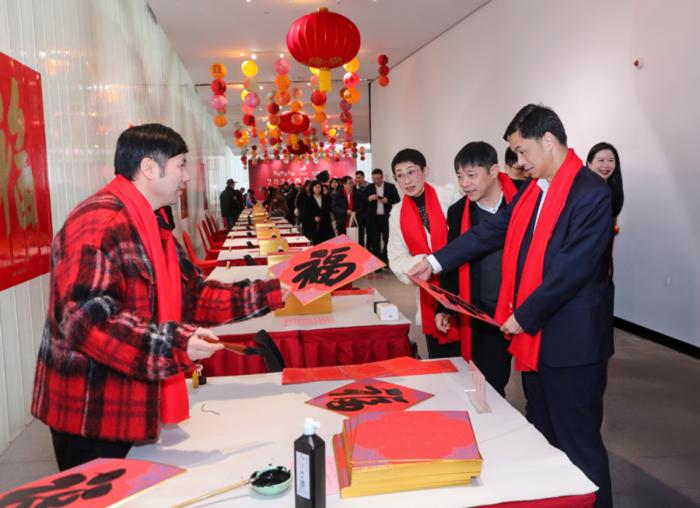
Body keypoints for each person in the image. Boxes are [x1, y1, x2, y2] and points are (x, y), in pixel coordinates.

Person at [31, 124, 284, 471]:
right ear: (149, 168)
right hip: (92, 411)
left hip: (133, 402)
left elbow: (193, 296)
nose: (187, 177)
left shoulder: (153, 225)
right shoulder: (99, 223)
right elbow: (88, 323)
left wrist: (273, 291)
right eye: (181, 165)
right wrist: (176, 344)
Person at [408, 104, 614, 507]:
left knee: (580, 443)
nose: (519, 162)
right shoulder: (533, 194)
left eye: (522, 151)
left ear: (548, 141)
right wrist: (434, 262)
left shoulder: (590, 192)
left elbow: (573, 269)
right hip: (537, 344)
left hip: (572, 344)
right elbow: (489, 233)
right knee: (543, 435)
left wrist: (524, 314)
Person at [434, 142, 518, 395]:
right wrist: (444, 307)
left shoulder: (522, 200)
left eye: (471, 175)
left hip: (524, 308)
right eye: (460, 176)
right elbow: (453, 260)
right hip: (485, 312)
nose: (465, 184)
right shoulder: (458, 211)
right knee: (490, 383)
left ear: (493, 171)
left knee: (536, 383)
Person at [387, 149, 462, 358]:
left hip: (461, 284)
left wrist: (439, 261)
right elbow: (396, 258)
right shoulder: (397, 214)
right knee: (441, 359)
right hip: (429, 293)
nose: (407, 180)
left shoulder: (450, 196)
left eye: (411, 172)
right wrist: (425, 263)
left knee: (470, 355)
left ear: (425, 171)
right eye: (400, 175)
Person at [364, 168, 400, 263]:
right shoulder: (368, 188)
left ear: (382, 177)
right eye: (374, 179)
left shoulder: (390, 186)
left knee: (387, 239)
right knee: (375, 241)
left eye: (378, 178)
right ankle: (377, 262)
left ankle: (385, 259)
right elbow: (362, 202)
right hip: (373, 218)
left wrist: (387, 200)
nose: (377, 181)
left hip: (386, 218)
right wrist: (369, 199)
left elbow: (397, 199)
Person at [587, 142, 624, 221]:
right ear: (589, 164)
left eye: (611, 160)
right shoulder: (581, 190)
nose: (606, 165)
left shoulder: (613, 188)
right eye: (601, 160)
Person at [302, 180, 334, 244]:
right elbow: (305, 213)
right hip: (315, 225)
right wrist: (313, 218)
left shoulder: (326, 198)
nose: (318, 189)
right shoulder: (308, 199)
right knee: (317, 243)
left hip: (326, 224)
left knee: (327, 242)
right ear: (312, 188)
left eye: (319, 187)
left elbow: (330, 209)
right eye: (316, 187)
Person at [354, 170, 369, 247]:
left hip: (369, 214)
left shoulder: (370, 186)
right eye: (356, 178)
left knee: (370, 233)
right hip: (359, 214)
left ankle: (369, 249)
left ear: (363, 177)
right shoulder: (354, 188)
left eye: (359, 177)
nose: (358, 179)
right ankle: (361, 249)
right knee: (360, 234)